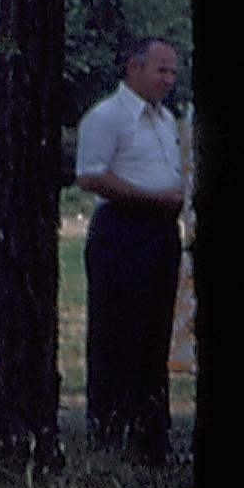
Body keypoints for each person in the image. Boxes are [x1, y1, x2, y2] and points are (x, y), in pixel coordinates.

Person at [75, 36, 186, 465]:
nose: (167, 80)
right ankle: (110, 438)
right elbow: (90, 176)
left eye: (172, 72)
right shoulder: (108, 117)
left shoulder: (165, 121)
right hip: (123, 233)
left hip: (160, 234)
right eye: (160, 69)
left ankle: (151, 439)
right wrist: (149, 198)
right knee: (117, 335)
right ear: (133, 69)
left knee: (153, 337)